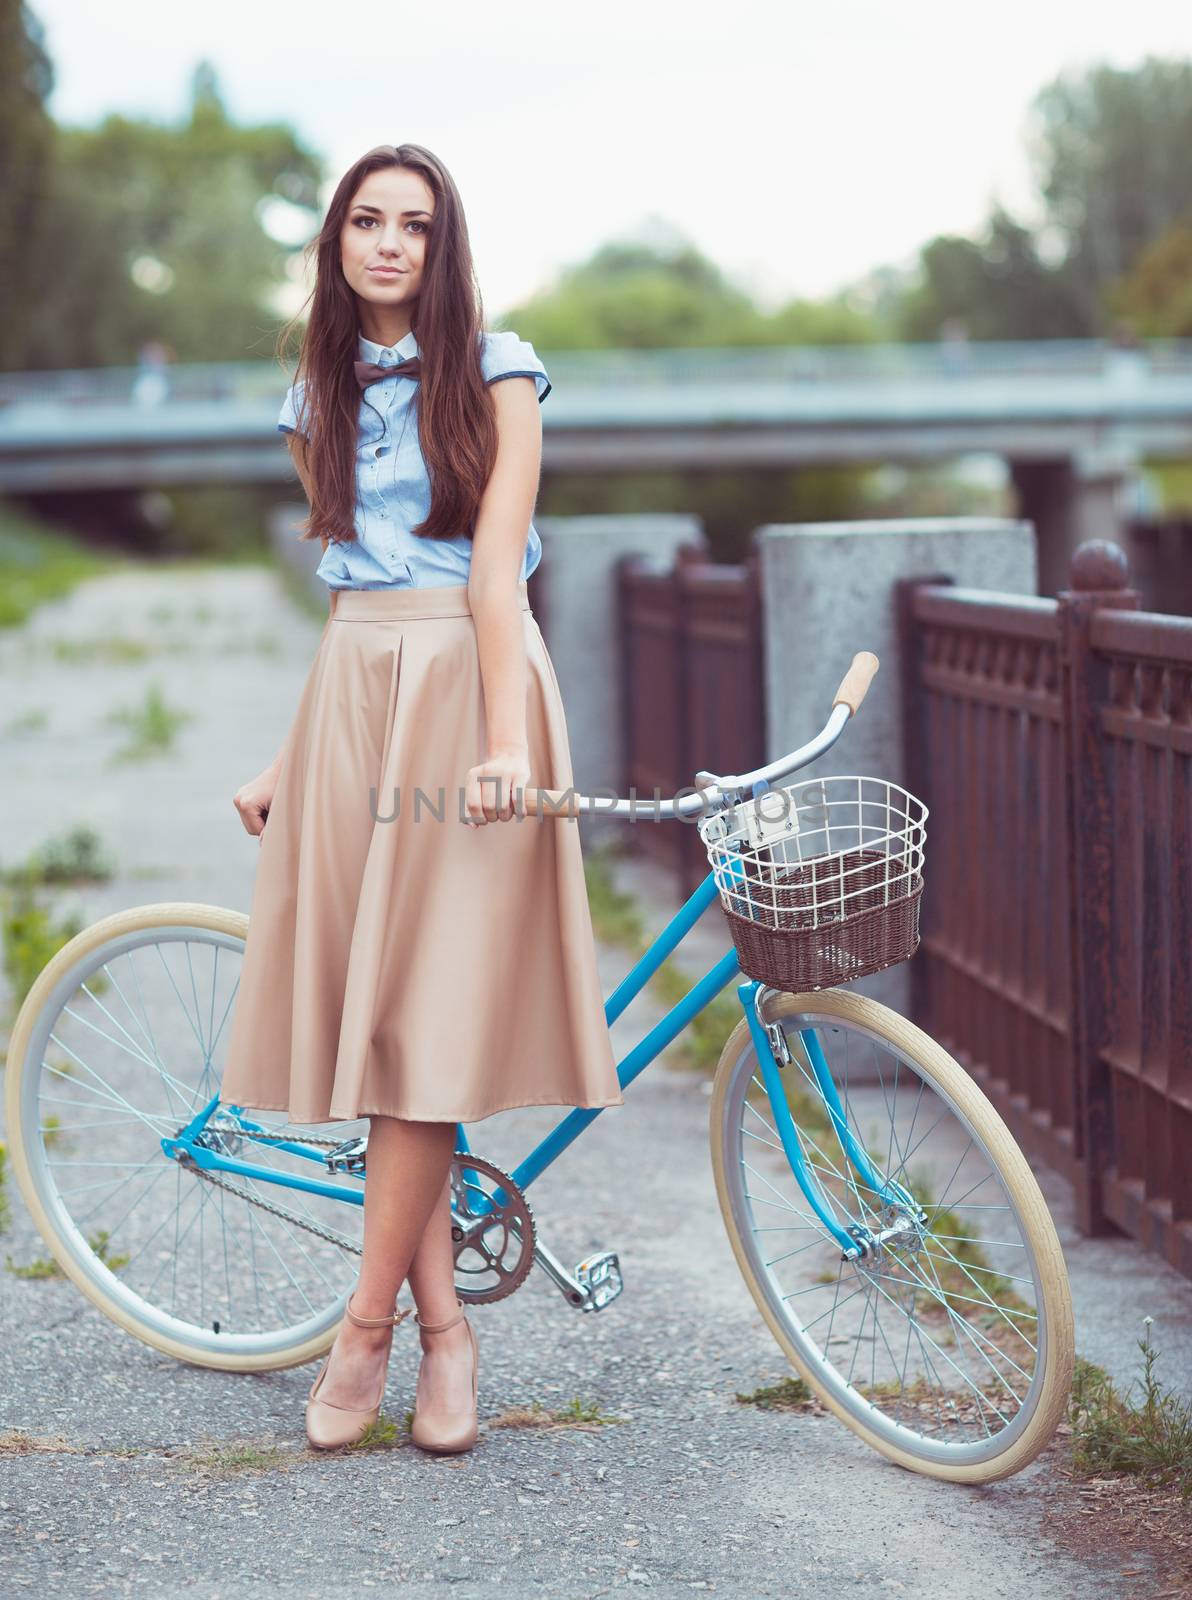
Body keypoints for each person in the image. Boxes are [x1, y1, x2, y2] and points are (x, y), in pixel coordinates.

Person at [220, 143, 624, 1456]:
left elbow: (495, 571)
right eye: (368, 221)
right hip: (358, 701)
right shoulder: (311, 400)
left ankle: (368, 1332)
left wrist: (507, 743)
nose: (390, 242)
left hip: (470, 687)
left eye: (415, 225)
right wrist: (290, 759)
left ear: (443, 249)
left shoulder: (499, 371)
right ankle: (447, 1333)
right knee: (398, 1033)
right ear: (336, 242)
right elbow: (346, 600)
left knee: (429, 1022)